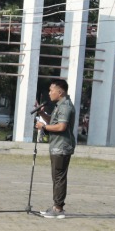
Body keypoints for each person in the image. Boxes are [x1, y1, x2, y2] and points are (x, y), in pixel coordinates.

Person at [34, 77, 75, 219]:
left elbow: (61, 126)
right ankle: (56, 206)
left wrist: (43, 126)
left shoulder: (65, 106)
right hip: (56, 146)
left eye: (52, 90)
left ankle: (58, 209)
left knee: (59, 178)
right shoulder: (60, 105)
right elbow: (53, 121)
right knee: (57, 177)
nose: (49, 93)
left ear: (60, 92)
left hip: (62, 147)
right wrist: (41, 113)